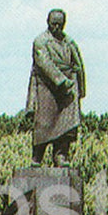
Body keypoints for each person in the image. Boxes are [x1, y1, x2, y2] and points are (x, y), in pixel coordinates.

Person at [27, 8, 86, 165]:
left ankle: (60, 155)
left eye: (60, 24)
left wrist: (79, 85)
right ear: (48, 23)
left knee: (67, 125)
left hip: (67, 89)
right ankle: (37, 156)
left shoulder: (69, 41)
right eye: (54, 24)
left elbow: (78, 63)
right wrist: (61, 80)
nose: (57, 28)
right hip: (48, 87)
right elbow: (44, 63)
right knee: (44, 123)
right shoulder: (41, 41)